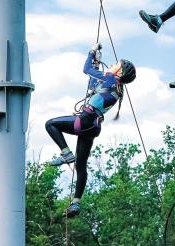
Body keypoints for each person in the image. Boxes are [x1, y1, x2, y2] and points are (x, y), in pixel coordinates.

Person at [45, 44, 136, 218]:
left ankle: (66, 153)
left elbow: (86, 70)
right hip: (94, 126)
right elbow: (93, 85)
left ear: (119, 72)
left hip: (86, 119)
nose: (112, 65)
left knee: (50, 125)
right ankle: (76, 203)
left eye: (116, 64)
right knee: (81, 165)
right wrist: (96, 62)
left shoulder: (110, 78)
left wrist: (91, 52)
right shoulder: (117, 89)